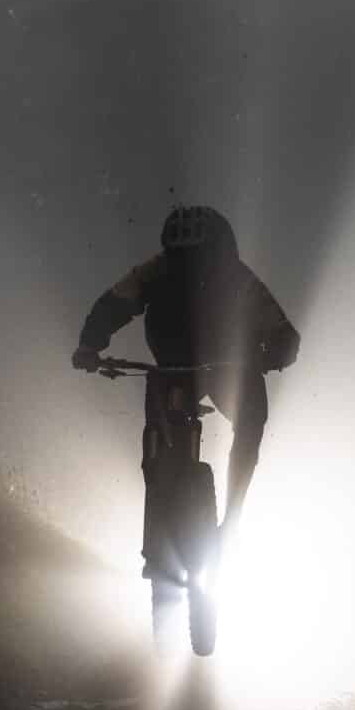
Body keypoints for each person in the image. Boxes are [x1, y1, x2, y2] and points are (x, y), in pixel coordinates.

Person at [72, 204, 300, 563]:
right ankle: (162, 505)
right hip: (179, 366)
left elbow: (282, 332)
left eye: (202, 261)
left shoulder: (236, 278)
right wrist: (89, 343)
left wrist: (272, 354)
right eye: (182, 262)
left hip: (227, 367)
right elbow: (114, 305)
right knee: (159, 434)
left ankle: (233, 513)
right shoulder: (160, 270)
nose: (192, 271)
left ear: (220, 256)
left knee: (251, 420)